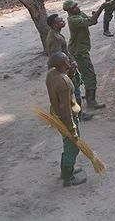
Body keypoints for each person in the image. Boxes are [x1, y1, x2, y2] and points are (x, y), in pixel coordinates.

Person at [45, 52, 86, 187]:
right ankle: (69, 178)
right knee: (73, 146)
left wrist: (72, 71)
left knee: (67, 144)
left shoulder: (51, 74)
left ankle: (65, 171)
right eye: (67, 60)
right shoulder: (64, 83)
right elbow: (66, 108)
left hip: (56, 114)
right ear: (62, 64)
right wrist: (72, 128)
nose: (69, 60)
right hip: (67, 118)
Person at [46, 14, 94, 121]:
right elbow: (57, 56)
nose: (63, 21)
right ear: (54, 24)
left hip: (60, 68)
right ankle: (79, 114)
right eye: (60, 21)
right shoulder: (56, 39)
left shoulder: (54, 34)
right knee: (74, 91)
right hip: (62, 69)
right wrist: (69, 67)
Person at [64, 0, 108, 109]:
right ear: (69, 10)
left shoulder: (79, 14)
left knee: (80, 75)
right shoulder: (73, 20)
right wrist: (101, 8)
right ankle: (91, 102)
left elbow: (91, 21)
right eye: (74, 7)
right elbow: (92, 21)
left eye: (77, 5)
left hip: (79, 49)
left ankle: (80, 95)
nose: (77, 7)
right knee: (90, 76)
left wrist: (95, 15)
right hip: (79, 52)